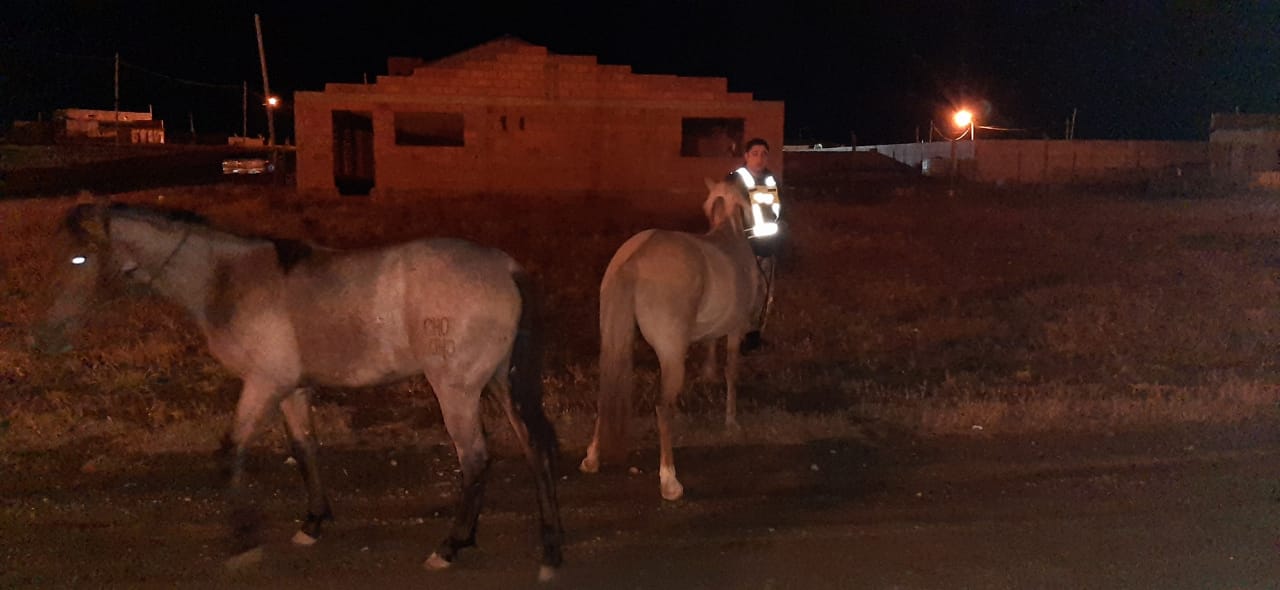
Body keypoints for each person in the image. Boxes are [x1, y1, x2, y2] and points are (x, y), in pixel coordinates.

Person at [724, 137, 783, 352]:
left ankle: (753, 336)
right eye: (755, 153)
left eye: (764, 154)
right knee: (741, 292)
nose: (760, 158)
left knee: (763, 293)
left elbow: (779, 212)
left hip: (767, 246)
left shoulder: (771, 180)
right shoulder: (734, 180)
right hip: (742, 248)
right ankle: (736, 336)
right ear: (746, 156)